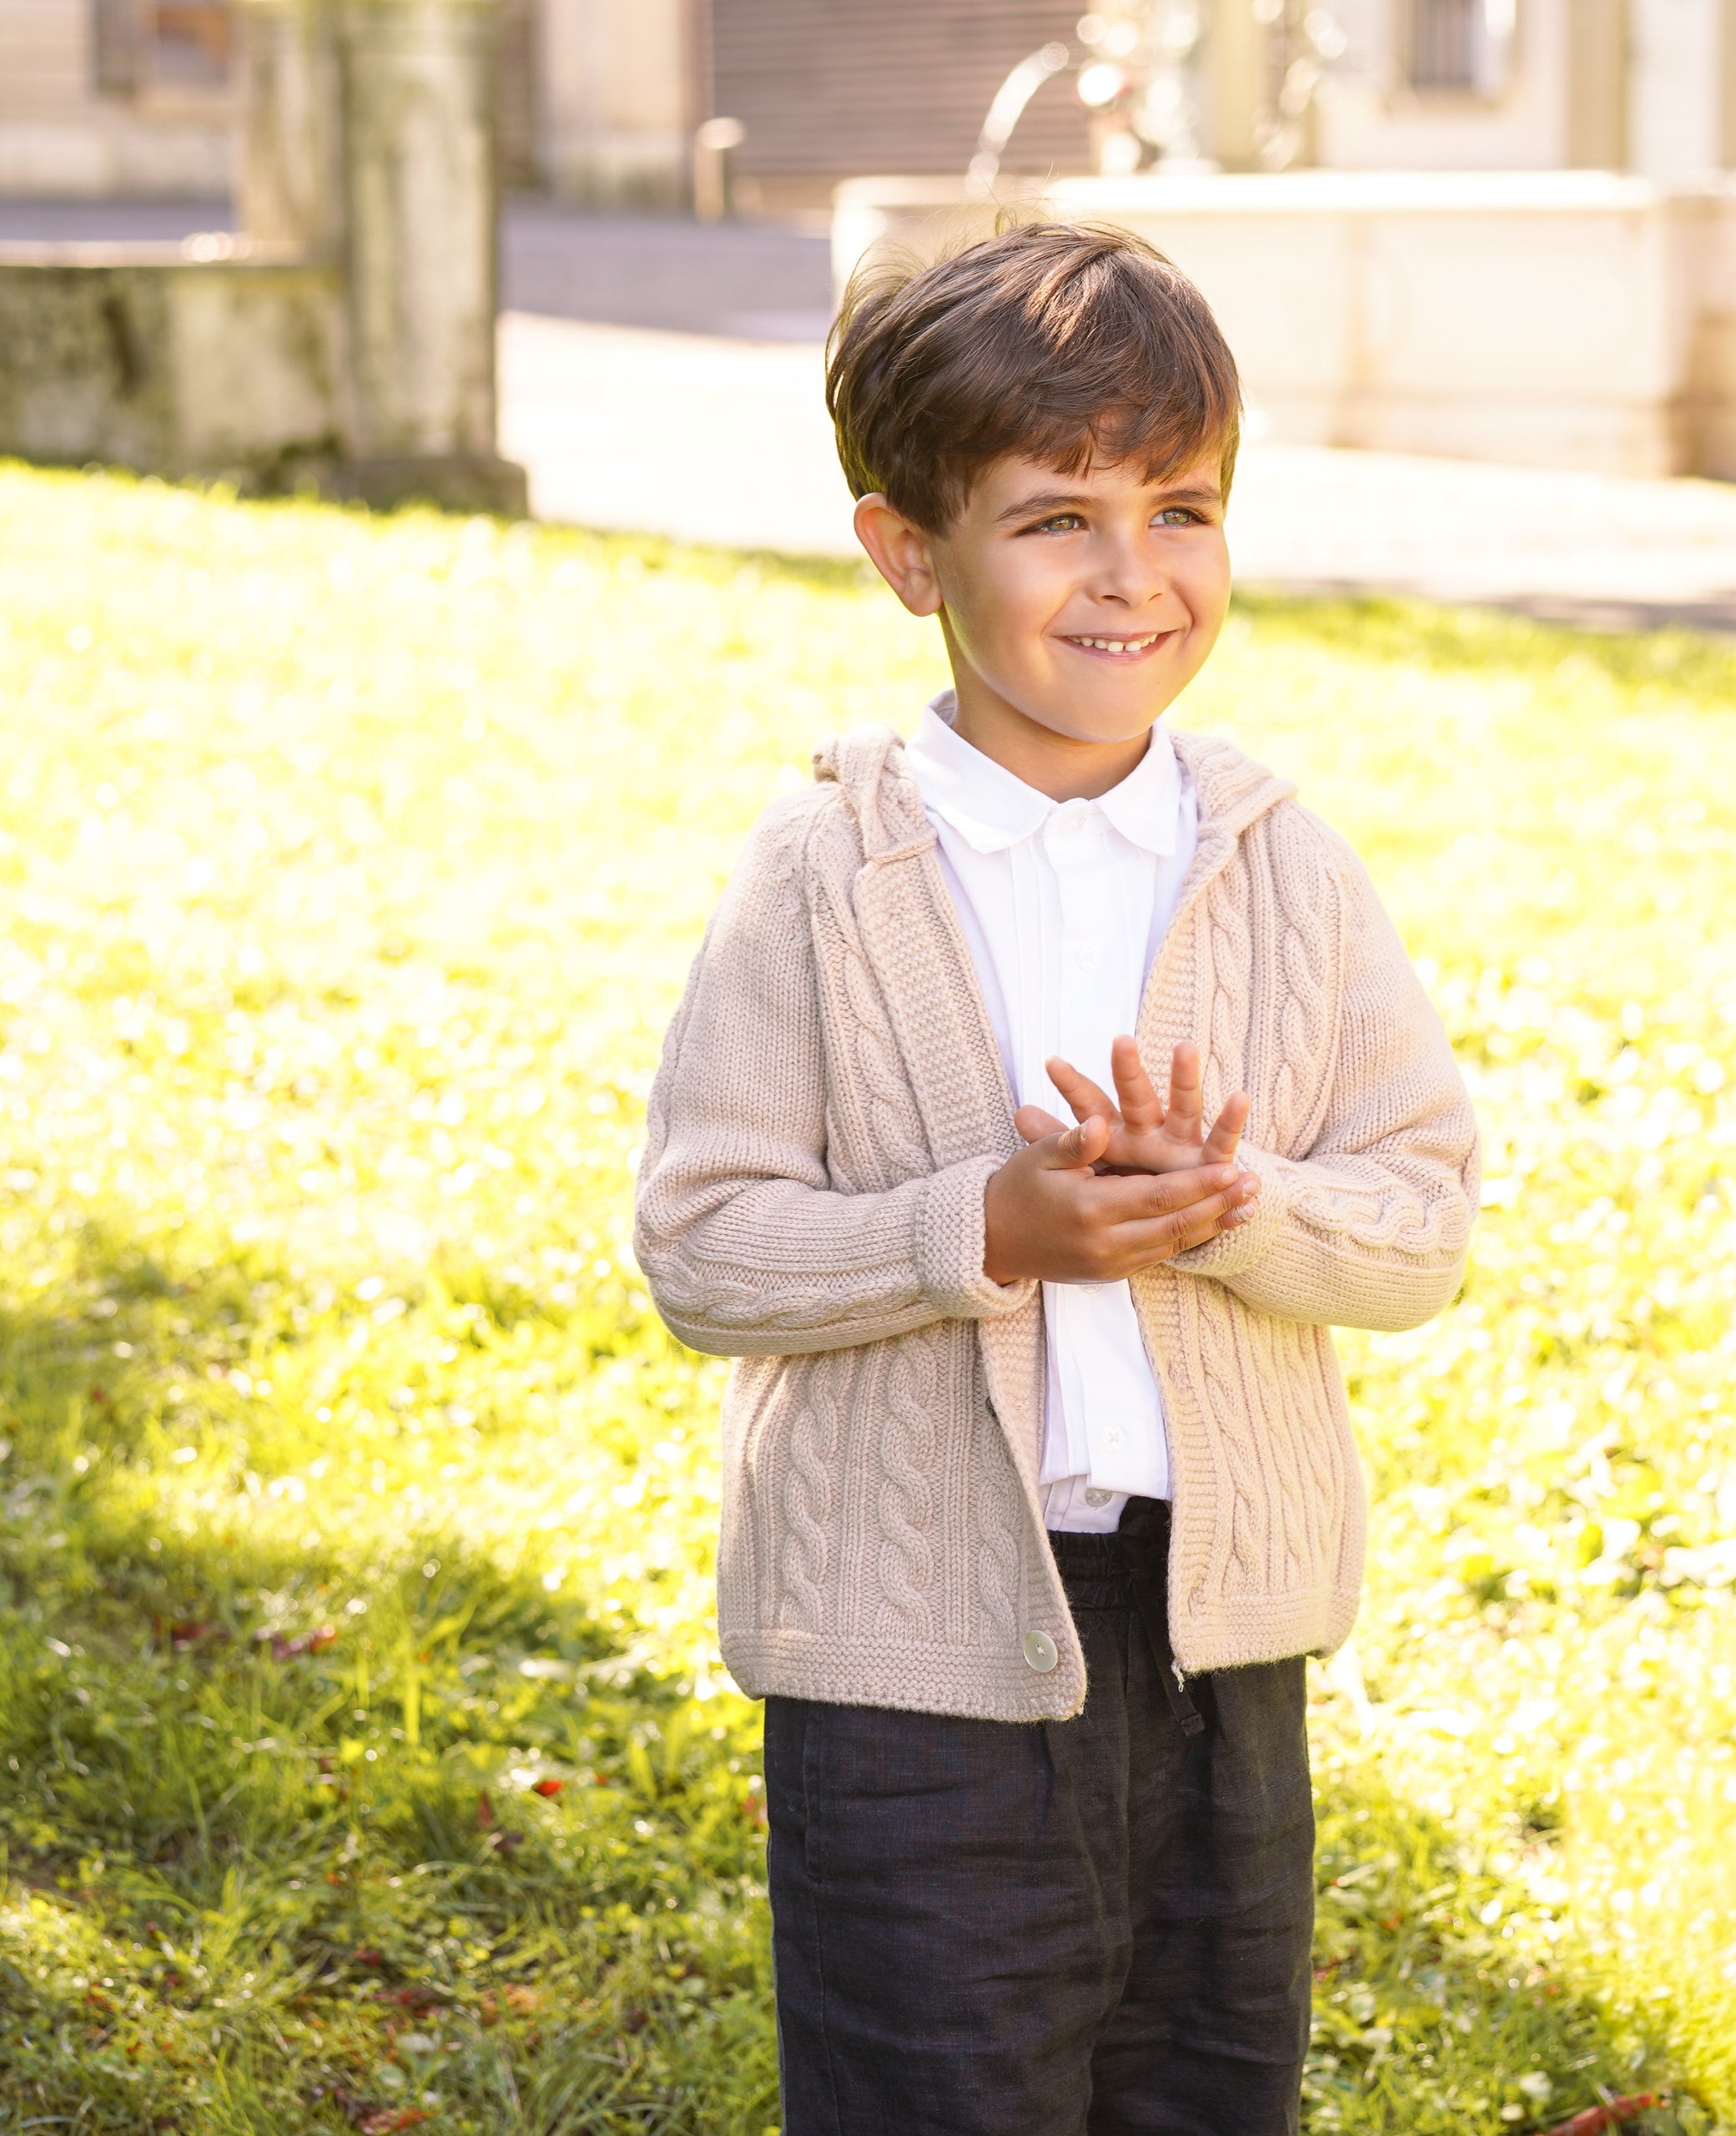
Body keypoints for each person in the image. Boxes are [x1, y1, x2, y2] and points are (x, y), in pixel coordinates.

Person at [632, 220, 1480, 2136]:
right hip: (910, 1668)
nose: (1132, 573)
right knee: (942, 2086)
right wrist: (981, 1229)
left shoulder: (1280, 861)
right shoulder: (827, 874)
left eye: (1182, 506)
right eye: (1056, 518)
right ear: (907, 553)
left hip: (1215, 1641)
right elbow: (703, 1247)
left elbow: (1421, 1213)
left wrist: (1245, 1204)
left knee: (1200, 2085)